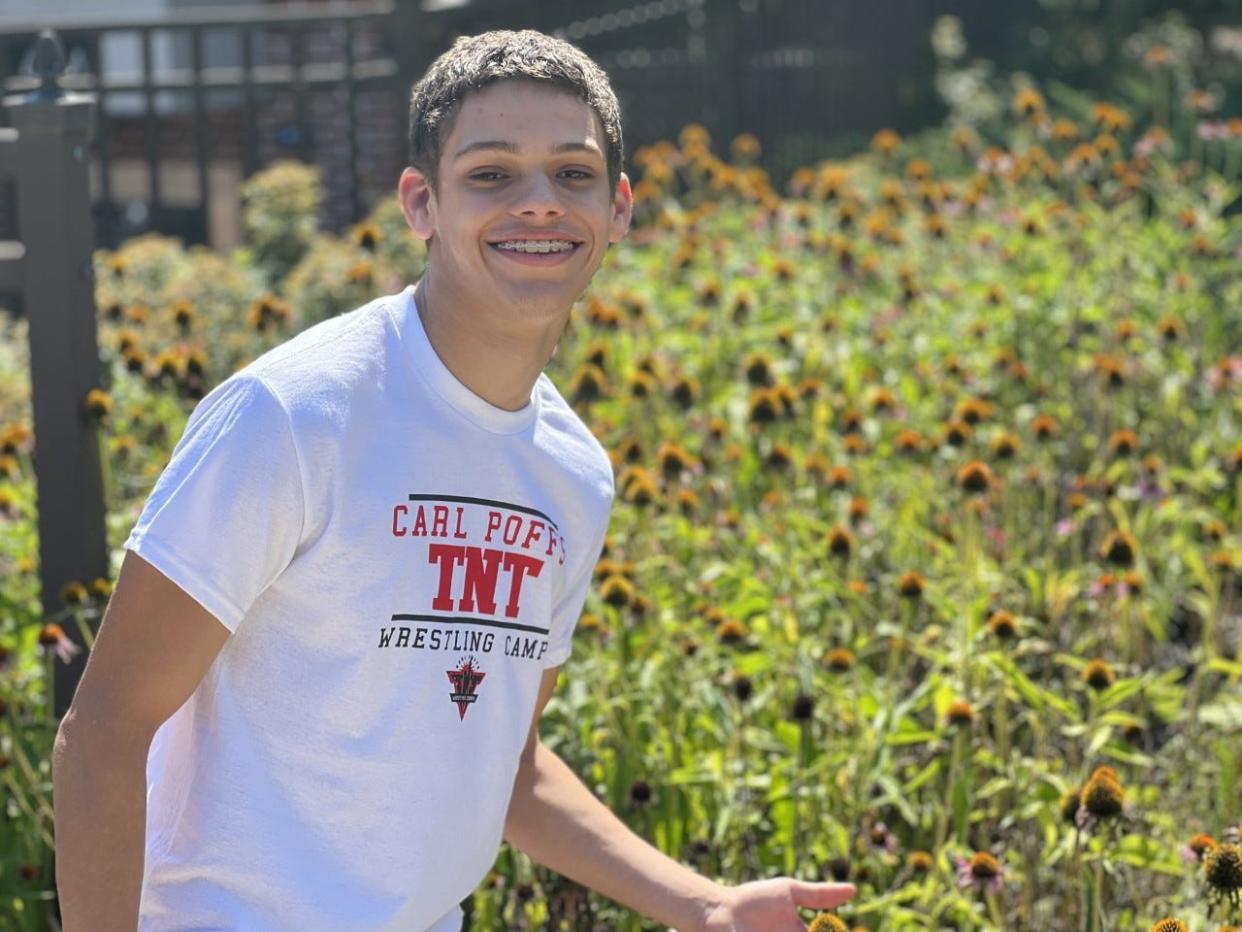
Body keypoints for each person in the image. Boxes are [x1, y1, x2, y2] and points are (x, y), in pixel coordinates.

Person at [52, 30, 856, 931]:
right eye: (491, 175)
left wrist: (705, 905)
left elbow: (506, 765)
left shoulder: (571, 473)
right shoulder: (294, 416)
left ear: (619, 207)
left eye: (573, 173)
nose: (540, 203)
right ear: (421, 203)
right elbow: (104, 733)